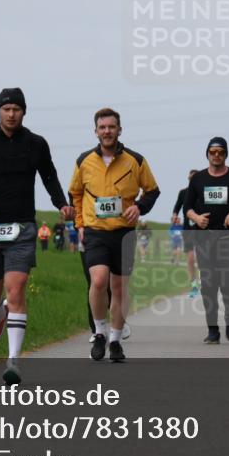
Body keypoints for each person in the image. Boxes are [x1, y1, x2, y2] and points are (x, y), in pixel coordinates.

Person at [0, 88, 72, 385]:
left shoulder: (36, 144)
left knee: (16, 288)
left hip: (22, 227)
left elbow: (49, 177)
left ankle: (13, 362)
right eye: (6, 109)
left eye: (17, 109)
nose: (11, 114)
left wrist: (62, 203)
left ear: (24, 112)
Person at [69, 107, 160, 363]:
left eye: (111, 127)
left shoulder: (135, 160)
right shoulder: (83, 161)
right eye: (102, 127)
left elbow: (152, 191)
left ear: (120, 130)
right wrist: (80, 224)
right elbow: (74, 193)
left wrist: (139, 207)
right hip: (95, 231)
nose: (107, 131)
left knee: (119, 287)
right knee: (98, 281)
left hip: (124, 233)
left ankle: (116, 340)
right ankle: (99, 332)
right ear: (95, 131)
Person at [183, 137, 229, 344]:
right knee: (209, 285)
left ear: (225, 154)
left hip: (228, 237)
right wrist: (196, 218)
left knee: (228, 283)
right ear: (207, 154)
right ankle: (212, 329)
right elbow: (187, 208)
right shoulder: (197, 180)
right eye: (212, 152)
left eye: (220, 152)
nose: (216, 155)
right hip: (205, 238)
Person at [172, 170, 200, 298]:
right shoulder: (183, 193)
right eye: (191, 179)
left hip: (202, 230)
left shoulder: (204, 193)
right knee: (190, 259)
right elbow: (177, 207)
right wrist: (174, 215)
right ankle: (193, 285)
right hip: (188, 230)